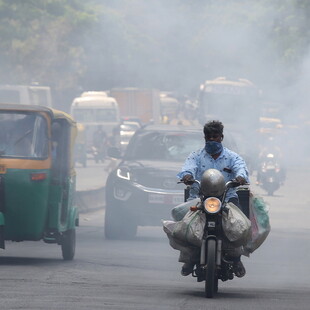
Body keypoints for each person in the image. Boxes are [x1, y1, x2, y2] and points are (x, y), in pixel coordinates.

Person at [177, 120, 250, 277]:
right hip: (199, 198)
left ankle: (236, 258)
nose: (211, 139)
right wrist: (187, 175)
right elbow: (187, 168)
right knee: (184, 227)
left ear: (221, 137)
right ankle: (189, 258)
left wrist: (240, 177)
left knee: (238, 226)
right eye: (208, 137)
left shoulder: (232, 157)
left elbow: (241, 168)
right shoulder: (195, 156)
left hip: (227, 198)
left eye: (215, 136)